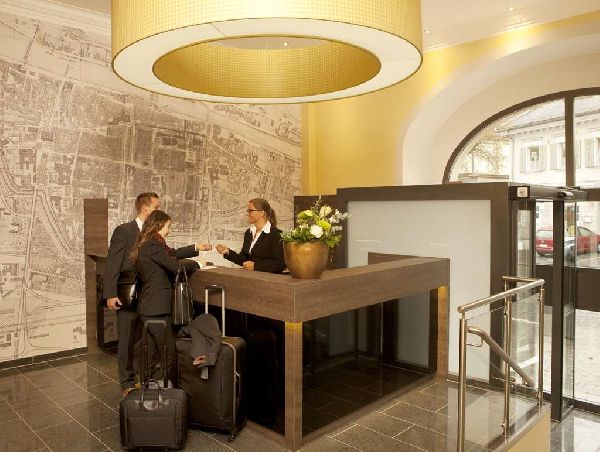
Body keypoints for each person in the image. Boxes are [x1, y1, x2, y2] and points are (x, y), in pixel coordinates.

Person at [130, 210, 211, 385]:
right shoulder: (153, 246)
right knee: (169, 352)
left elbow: (171, 254)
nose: (169, 230)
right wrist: (199, 264)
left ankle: (147, 388)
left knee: (149, 353)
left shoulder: (151, 245)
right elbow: (175, 267)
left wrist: (195, 248)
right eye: (168, 226)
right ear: (159, 226)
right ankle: (167, 389)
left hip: (150, 308)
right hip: (156, 309)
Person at [103, 192, 160, 397]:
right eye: (156, 207)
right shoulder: (124, 231)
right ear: (145, 208)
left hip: (147, 295)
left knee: (141, 340)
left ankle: (140, 377)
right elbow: (113, 263)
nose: (158, 211)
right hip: (127, 295)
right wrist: (110, 294)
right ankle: (126, 382)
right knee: (127, 340)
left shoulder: (153, 234)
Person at [215, 198, 285, 273]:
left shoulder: (276, 234)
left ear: (262, 213)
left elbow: (280, 264)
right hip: (250, 277)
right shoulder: (249, 232)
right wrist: (227, 251)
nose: (248, 214)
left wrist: (256, 266)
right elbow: (244, 259)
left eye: (250, 211)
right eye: (248, 211)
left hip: (267, 279)